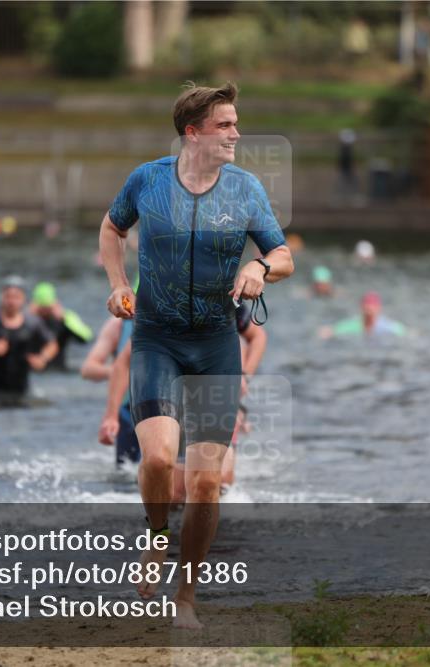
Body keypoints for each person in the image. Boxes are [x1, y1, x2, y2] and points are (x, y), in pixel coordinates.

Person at [98, 81, 294, 629]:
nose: (236, 133)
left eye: (235, 123)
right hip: (156, 336)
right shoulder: (148, 180)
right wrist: (116, 283)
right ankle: (156, 537)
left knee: (207, 482)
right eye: (225, 125)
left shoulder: (246, 189)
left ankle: (186, 594)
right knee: (159, 459)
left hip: (214, 344)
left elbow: (283, 255)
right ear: (194, 132)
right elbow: (112, 228)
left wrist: (259, 267)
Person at [98, 302, 267, 475]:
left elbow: (257, 336)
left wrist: (245, 375)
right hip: (169, 398)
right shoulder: (162, 304)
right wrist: (111, 416)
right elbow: (123, 364)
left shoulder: (227, 300)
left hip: (213, 396)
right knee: (160, 475)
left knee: (218, 479)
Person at [29, 282, 93, 372]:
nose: (45, 312)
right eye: (42, 308)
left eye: (48, 308)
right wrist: (28, 317)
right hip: (33, 369)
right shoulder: (25, 320)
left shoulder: (66, 318)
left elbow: (87, 338)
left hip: (58, 369)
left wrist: (64, 319)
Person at [318, 291, 406, 339]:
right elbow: (332, 330)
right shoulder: (354, 324)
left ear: (379, 309)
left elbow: (405, 333)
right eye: (367, 308)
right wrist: (328, 332)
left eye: (372, 308)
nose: (369, 311)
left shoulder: (387, 326)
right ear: (361, 308)